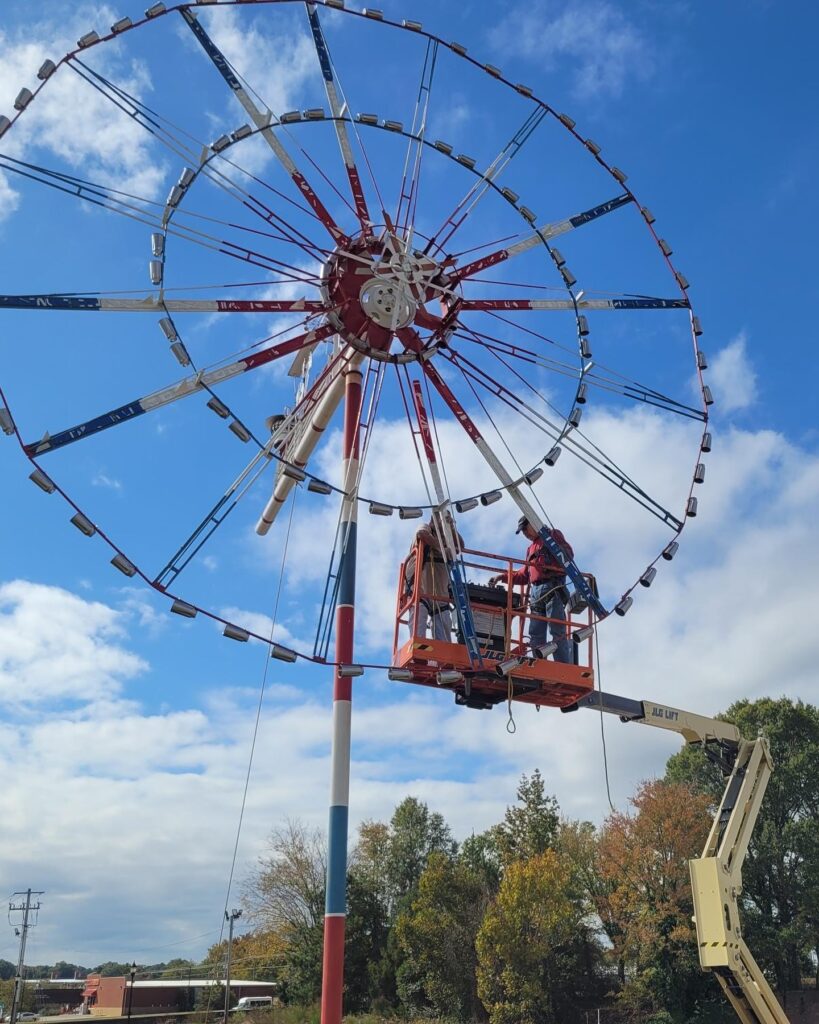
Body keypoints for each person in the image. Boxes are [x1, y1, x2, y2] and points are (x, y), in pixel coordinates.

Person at [489, 515, 573, 663]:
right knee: (535, 633)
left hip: (553, 587)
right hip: (536, 592)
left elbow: (568, 555)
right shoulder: (531, 548)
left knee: (557, 629)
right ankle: (539, 664)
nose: (525, 534)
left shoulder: (552, 535)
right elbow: (524, 574)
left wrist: (553, 545)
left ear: (533, 524)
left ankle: (563, 665)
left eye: (525, 529)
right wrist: (502, 577)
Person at [405, 509, 464, 642]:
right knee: (418, 619)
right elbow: (421, 534)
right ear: (433, 520)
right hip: (420, 589)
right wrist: (443, 549)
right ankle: (418, 651)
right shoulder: (426, 528)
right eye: (442, 521)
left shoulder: (446, 536)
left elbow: (460, 546)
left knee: (443, 625)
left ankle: (444, 660)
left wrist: (452, 528)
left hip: (439, 592)